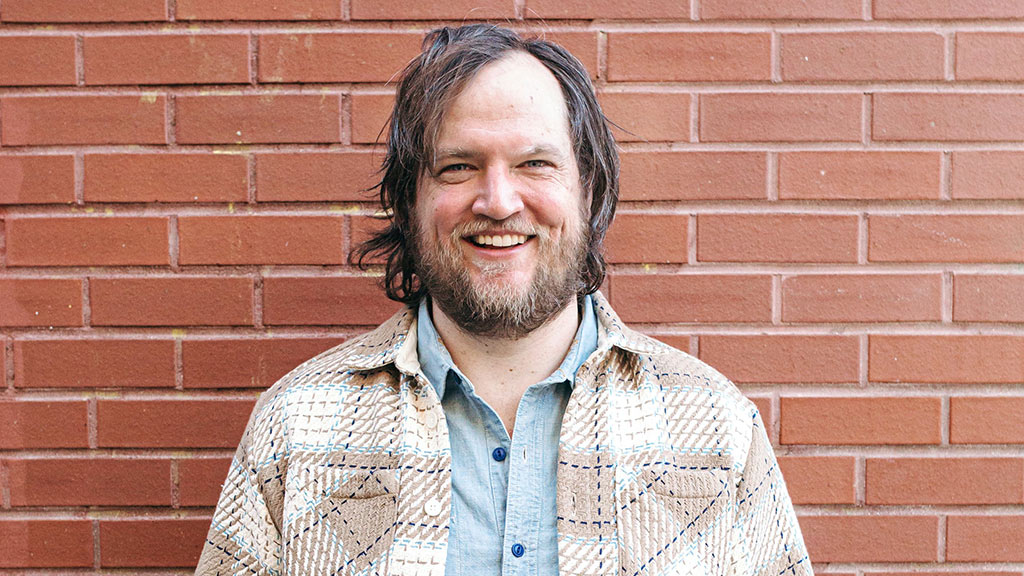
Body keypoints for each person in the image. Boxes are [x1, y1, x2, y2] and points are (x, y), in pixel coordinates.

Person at [196, 24, 812, 576]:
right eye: (458, 167)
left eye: (535, 163)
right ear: (410, 202)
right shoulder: (297, 426)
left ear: (588, 191)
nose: (497, 201)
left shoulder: (714, 428)